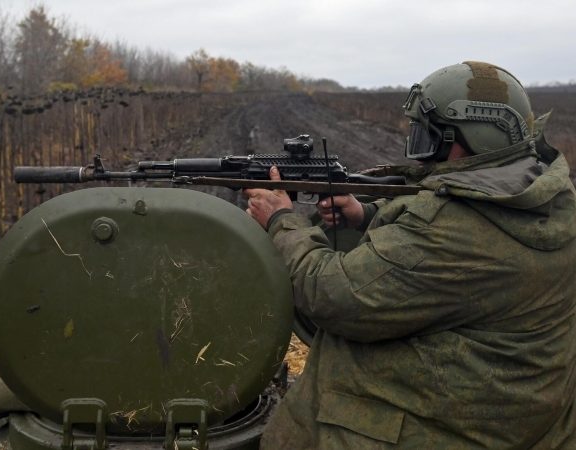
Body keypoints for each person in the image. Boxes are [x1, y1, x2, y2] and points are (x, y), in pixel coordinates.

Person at [244, 61, 576, 449]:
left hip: (449, 429)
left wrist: (281, 220)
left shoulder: (454, 231)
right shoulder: (542, 195)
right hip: (515, 409)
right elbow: (442, 242)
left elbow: (333, 295)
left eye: (429, 137)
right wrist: (365, 214)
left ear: (472, 138)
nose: (420, 155)